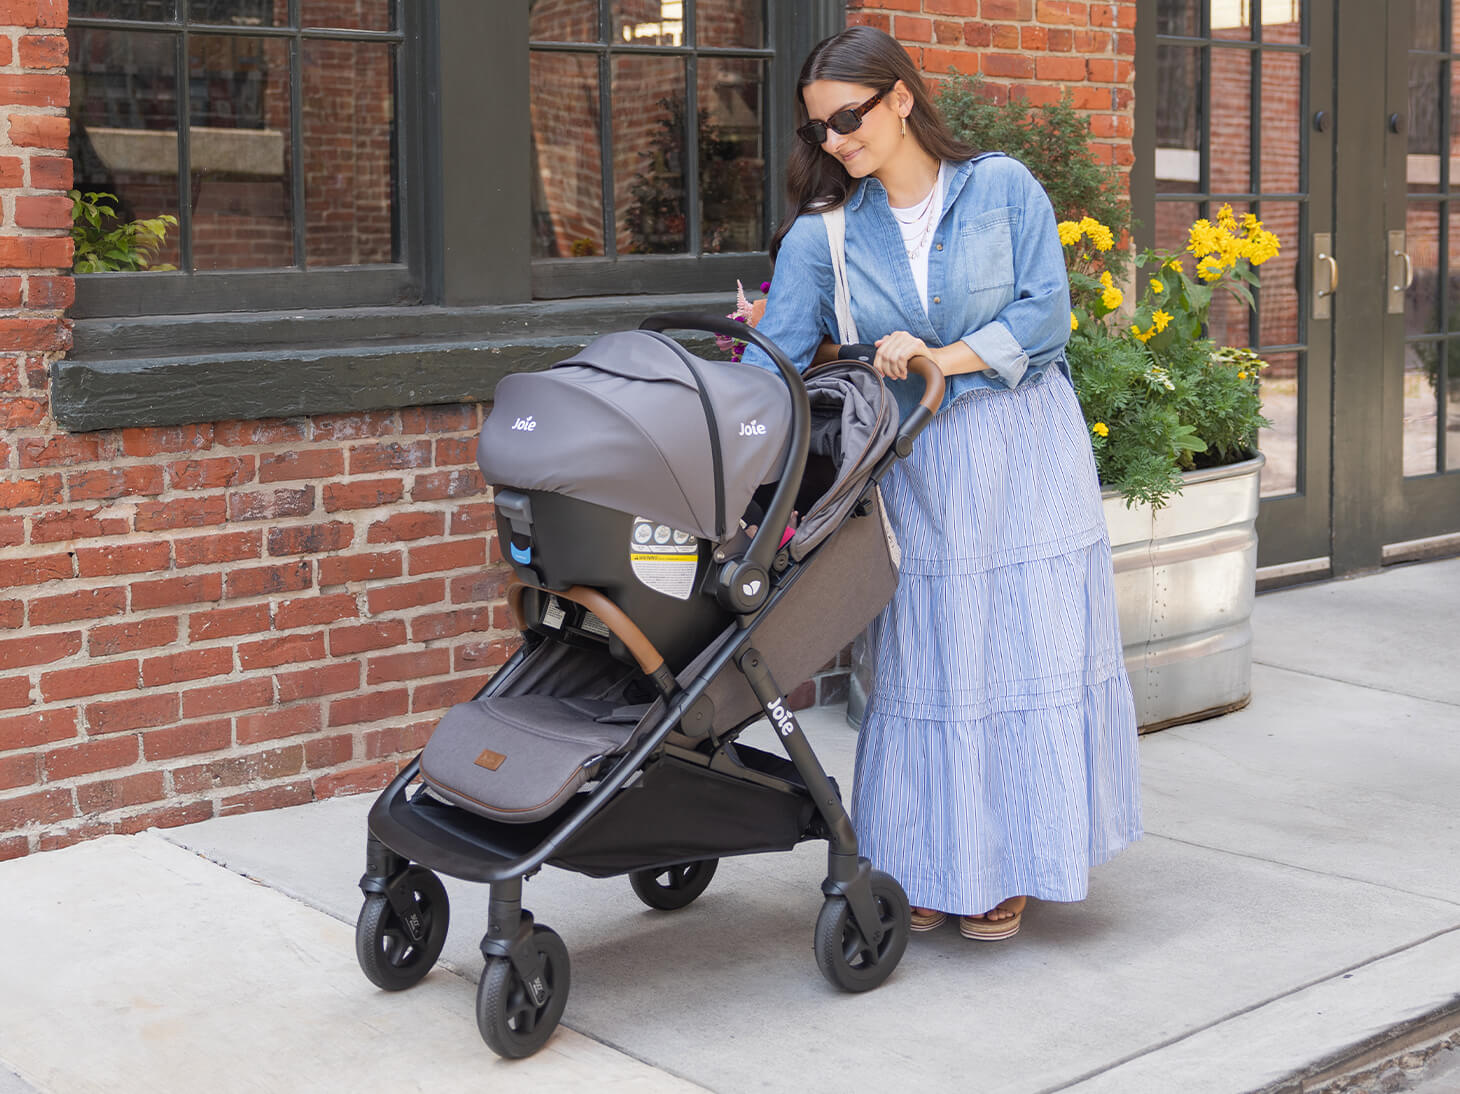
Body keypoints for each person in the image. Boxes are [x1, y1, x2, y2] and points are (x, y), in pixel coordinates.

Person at [740, 25, 1142, 941]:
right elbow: (779, 361)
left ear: (900, 98)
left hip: (1025, 451)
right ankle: (929, 859)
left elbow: (1045, 317)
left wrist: (938, 357)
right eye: (819, 131)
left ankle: (1015, 861)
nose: (836, 141)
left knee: (1026, 653)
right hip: (919, 465)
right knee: (932, 659)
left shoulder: (1002, 189)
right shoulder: (823, 236)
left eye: (848, 118)